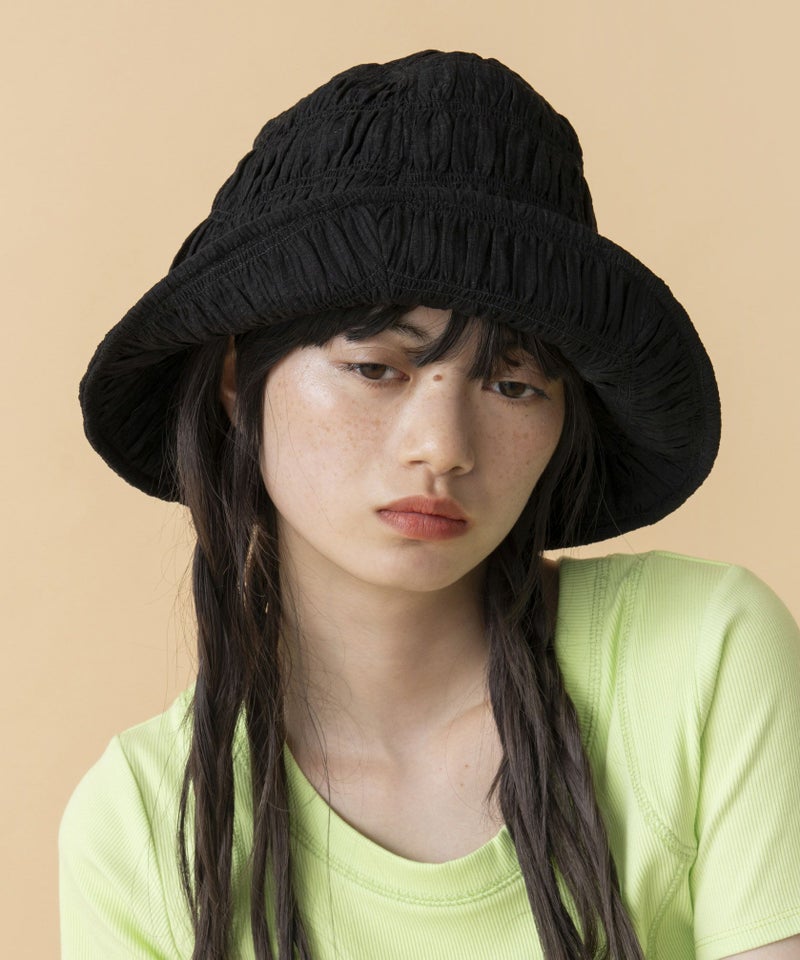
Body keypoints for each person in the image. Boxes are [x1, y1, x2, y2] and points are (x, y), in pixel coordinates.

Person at [59, 49, 800, 960]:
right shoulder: (139, 827)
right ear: (236, 380)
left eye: (514, 384)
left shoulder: (702, 660)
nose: (443, 447)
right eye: (377, 368)